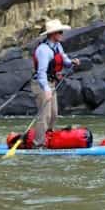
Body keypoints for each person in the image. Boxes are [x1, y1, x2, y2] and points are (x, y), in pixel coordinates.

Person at [31, 18, 79, 148]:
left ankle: (49, 139)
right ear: (53, 34)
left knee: (53, 114)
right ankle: (38, 144)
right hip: (41, 85)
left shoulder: (57, 46)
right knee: (44, 115)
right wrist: (46, 90)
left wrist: (72, 62)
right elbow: (41, 73)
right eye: (60, 32)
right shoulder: (43, 50)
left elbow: (64, 59)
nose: (62, 34)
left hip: (51, 83)